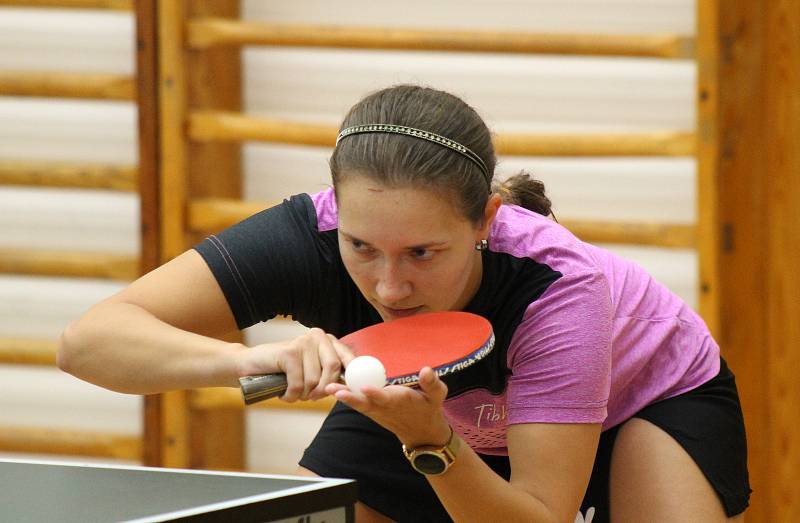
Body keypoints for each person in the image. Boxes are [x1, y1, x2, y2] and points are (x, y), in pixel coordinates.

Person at [58, 84, 750, 522]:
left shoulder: (555, 287)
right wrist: (254, 355)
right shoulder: (307, 237)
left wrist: (430, 439)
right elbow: (88, 343)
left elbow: (538, 517)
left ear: (484, 219)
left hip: (644, 398)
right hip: (424, 407)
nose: (389, 288)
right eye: (362, 248)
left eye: (423, 252)